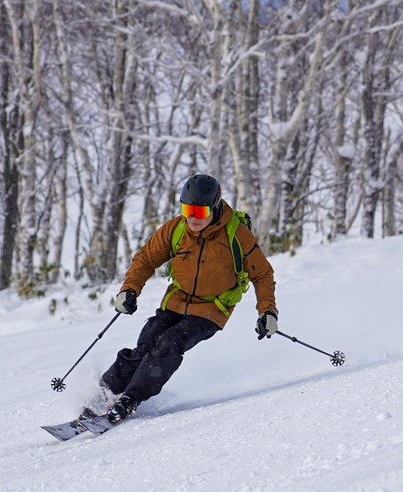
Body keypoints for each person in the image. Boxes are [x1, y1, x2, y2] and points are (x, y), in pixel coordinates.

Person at [94, 173, 278, 424]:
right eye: (186, 209)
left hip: (212, 308)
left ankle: (131, 399)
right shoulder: (176, 228)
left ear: (213, 209)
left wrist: (267, 311)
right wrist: (129, 289)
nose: (191, 217)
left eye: (199, 212)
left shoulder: (237, 235)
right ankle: (105, 393)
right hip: (177, 300)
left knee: (169, 343)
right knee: (147, 342)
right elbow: (146, 259)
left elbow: (263, 274)